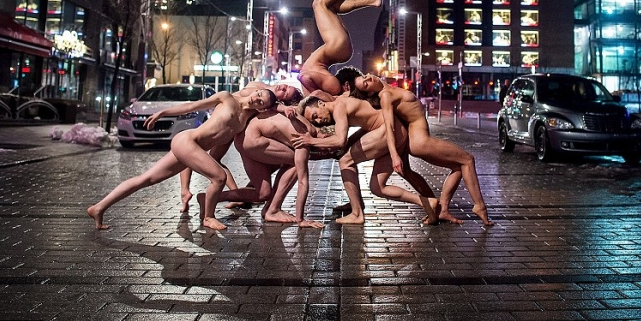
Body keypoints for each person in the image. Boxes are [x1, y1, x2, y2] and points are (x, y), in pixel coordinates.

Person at [87, 88, 277, 231]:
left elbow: (278, 105)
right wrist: (162, 113)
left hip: (192, 149)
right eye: (259, 94)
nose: (257, 98)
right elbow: (192, 106)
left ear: (263, 109)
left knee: (146, 179)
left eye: (261, 101)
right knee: (218, 177)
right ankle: (208, 217)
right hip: (188, 140)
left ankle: (98, 208)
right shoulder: (227, 97)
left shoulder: (248, 118)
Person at [344, 67, 493, 226]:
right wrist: (394, 156)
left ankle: (441, 210)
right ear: (369, 93)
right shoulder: (386, 96)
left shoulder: (389, 90)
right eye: (366, 84)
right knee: (468, 160)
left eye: (366, 76)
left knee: (459, 166)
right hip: (420, 141)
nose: (369, 79)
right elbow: (389, 127)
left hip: (417, 139)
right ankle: (479, 206)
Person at [293, 92, 439, 225]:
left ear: (321, 103)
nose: (319, 121)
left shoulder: (339, 106)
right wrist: (347, 144)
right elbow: (365, 127)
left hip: (388, 130)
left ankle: (356, 213)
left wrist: (310, 141)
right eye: (315, 122)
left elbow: (339, 140)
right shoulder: (342, 105)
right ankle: (427, 202)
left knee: (346, 160)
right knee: (378, 187)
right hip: (395, 133)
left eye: (315, 116)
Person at [177, 81, 304, 214]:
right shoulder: (259, 90)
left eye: (284, 93)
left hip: (232, 126)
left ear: (279, 100)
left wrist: (284, 109)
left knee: (210, 157)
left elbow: (275, 106)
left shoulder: (266, 102)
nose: (283, 88)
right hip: (225, 117)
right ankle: (185, 190)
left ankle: (231, 195)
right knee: (196, 149)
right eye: (287, 86)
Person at [297, 0, 388, 98]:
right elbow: (304, 78)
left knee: (328, 5)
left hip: (337, 49)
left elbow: (308, 85)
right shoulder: (331, 87)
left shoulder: (323, 88)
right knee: (319, 4)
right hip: (336, 47)